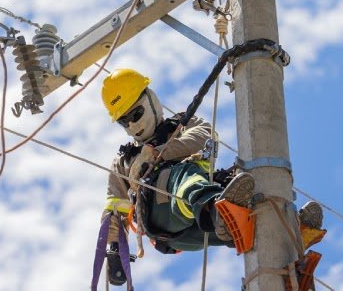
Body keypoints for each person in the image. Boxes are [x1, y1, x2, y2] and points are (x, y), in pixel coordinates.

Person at [97, 68, 325, 288]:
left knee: (247, 215)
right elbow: (114, 208)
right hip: (163, 221)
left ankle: (288, 240)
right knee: (179, 177)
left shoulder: (184, 125)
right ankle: (219, 211)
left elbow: (204, 135)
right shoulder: (124, 162)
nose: (133, 125)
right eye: (124, 121)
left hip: (198, 222)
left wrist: (159, 152)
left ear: (151, 100)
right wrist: (115, 250)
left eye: (136, 114)